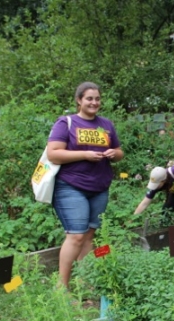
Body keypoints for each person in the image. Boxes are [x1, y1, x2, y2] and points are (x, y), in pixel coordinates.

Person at [47, 82, 124, 290]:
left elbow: (119, 152)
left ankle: (85, 282)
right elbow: (53, 153)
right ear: (79, 100)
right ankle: (61, 288)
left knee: (89, 235)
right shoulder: (66, 123)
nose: (94, 102)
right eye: (89, 98)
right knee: (76, 235)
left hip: (99, 187)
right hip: (71, 186)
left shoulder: (106, 124)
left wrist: (113, 154)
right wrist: (84, 154)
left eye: (97, 99)